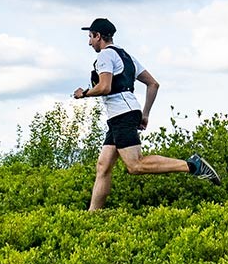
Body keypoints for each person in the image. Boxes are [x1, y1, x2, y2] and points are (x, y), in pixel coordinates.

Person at [73, 18, 220, 211]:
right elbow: (153, 84)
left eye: (90, 37)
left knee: (135, 165)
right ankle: (92, 217)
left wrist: (83, 93)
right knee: (103, 166)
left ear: (98, 36)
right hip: (124, 114)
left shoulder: (105, 56)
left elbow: (105, 87)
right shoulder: (127, 57)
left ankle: (192, 165)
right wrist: (145, 114)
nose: (89, 42)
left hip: (121, 115)